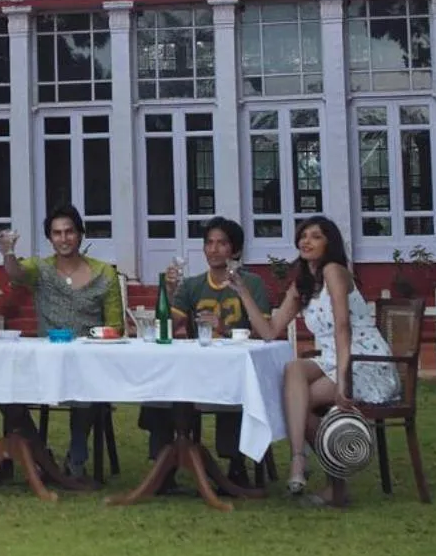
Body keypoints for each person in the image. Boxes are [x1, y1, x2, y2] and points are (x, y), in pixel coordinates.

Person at [224, 214, 400, 501]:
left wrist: (344, 381)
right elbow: (270, 331)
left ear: (329, 243)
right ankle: (299, 460)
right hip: (332, 357)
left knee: (298, 405)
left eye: (316, 236)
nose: (307, 241)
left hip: (363, 359)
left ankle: (332, 482)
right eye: (304, 236)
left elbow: (343, 327)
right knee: (293, 372)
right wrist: (243, 292)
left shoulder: (334, 271)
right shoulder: (303, 284)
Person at [140, 216, 270, 489]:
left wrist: (221, 328)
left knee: (237, 386)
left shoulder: (252, 284)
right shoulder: (193, 285)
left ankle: (235, 463)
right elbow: (166, 326)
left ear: (235, 251)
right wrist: (168, 290)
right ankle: (163, 461)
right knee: (160, 383)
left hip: (234, 367)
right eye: (209, 243)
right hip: (195, 369)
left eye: (222, 243)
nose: (213, 249)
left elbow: (263, 334)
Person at [0, 206, 123, 481]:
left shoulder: (104, 273)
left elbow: (116, 327)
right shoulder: (40, 269)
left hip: (88, 361)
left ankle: (76, 458)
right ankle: (42, 455)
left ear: (79, 235)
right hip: (46, 360)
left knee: (87, 384)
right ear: (50, 239)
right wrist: (7, 252)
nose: (64, 238)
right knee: (2, 388)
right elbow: (16, 273)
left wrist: (95, 339)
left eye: (69, 232)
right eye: (57, 233)